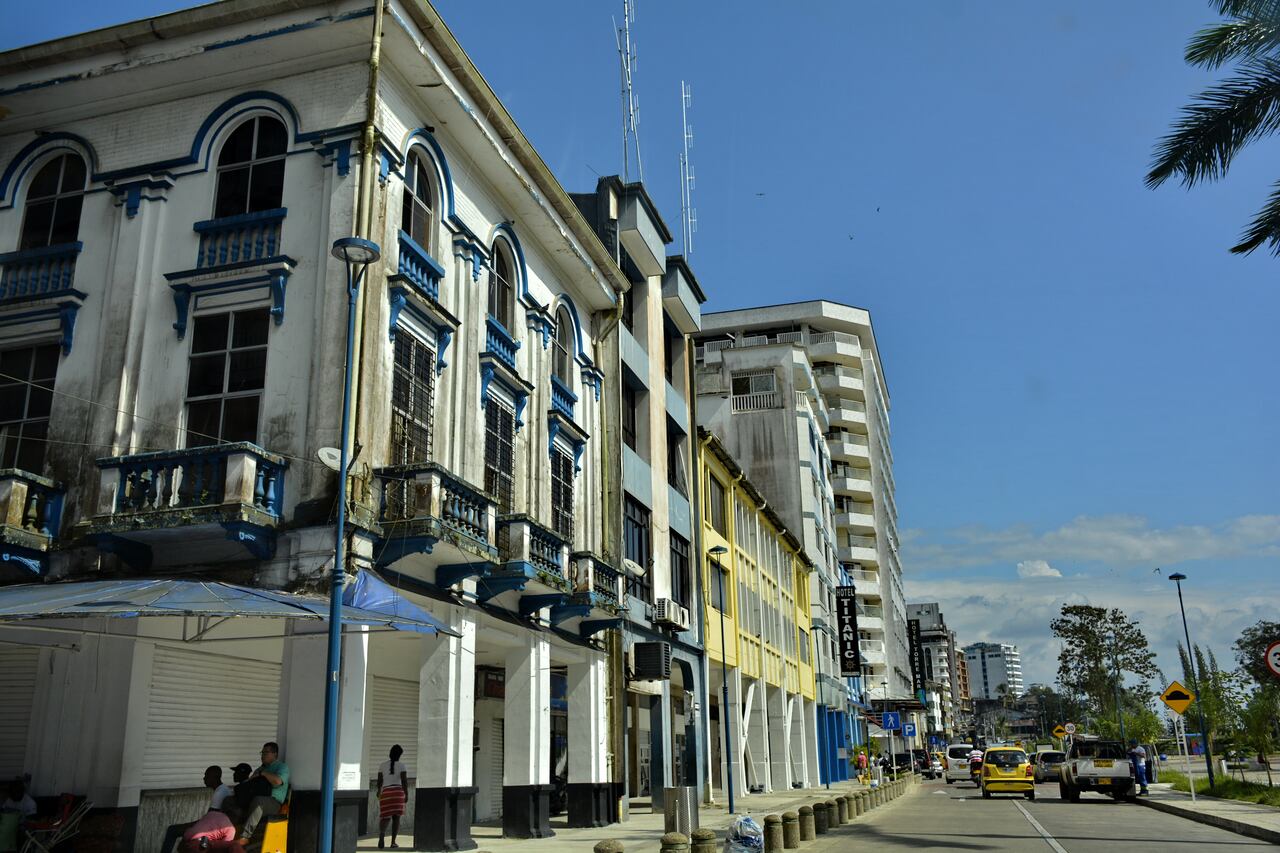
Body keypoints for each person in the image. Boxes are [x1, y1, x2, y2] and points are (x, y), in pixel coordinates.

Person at [235, 742, 290, 846]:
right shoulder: (260, 768)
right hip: (255, 798)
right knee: (230, 800)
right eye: (262, 752)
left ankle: (245, 836)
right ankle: (227, 832)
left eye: (266, 752)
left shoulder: (282, 767)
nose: (262, 755)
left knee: (259, 801)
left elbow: (278, 781)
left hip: (273, 802)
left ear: (275, 754)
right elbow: (249, 783)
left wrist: (263, 773)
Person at [178, 767, 238, 851]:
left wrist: (194, 826)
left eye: (207, 776)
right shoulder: (224, 789)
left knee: (173, 830)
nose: (204, 778)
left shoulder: (219, 793)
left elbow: (209, 818)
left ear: (215, 777)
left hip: (208, 830)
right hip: (213, 827)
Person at [376, 745, 409, 849]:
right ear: (399, 755)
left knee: (385, 817)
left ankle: (382, 835)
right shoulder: (402, 766)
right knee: (396, 818)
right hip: (398, 793)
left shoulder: (382, 765)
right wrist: (406, 794)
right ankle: (393, 842)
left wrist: (379, 791)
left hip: (386, 793)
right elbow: (404, 781)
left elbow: (379, 781)